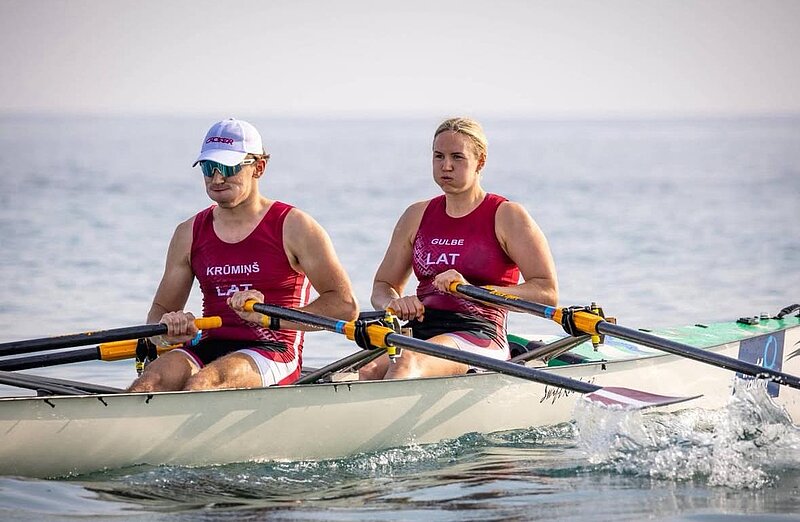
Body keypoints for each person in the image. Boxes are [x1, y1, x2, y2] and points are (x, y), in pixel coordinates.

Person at [128, 118, 358, 392]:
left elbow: (345, 306)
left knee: (202, 384)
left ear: (259, 167)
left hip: (273, 349)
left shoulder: (295, 227)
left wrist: (269, 317)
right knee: (148, 383)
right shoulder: (187, 233)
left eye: (228, 167)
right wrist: (167, 330)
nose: (217, 178)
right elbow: (158, 314)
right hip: (207, 344)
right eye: (208, 167)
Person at [359, 117, 558, 380]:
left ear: (481, 161)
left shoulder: (507, 216)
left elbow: (546, 292)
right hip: (422, 329)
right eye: (438, 156)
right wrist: (395, 302)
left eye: (457, 157)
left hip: (480, 334)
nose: (446, 166)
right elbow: (383, 286)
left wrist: (474, 292)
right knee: (369, 370)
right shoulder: (416, 215)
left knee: (406, 363)